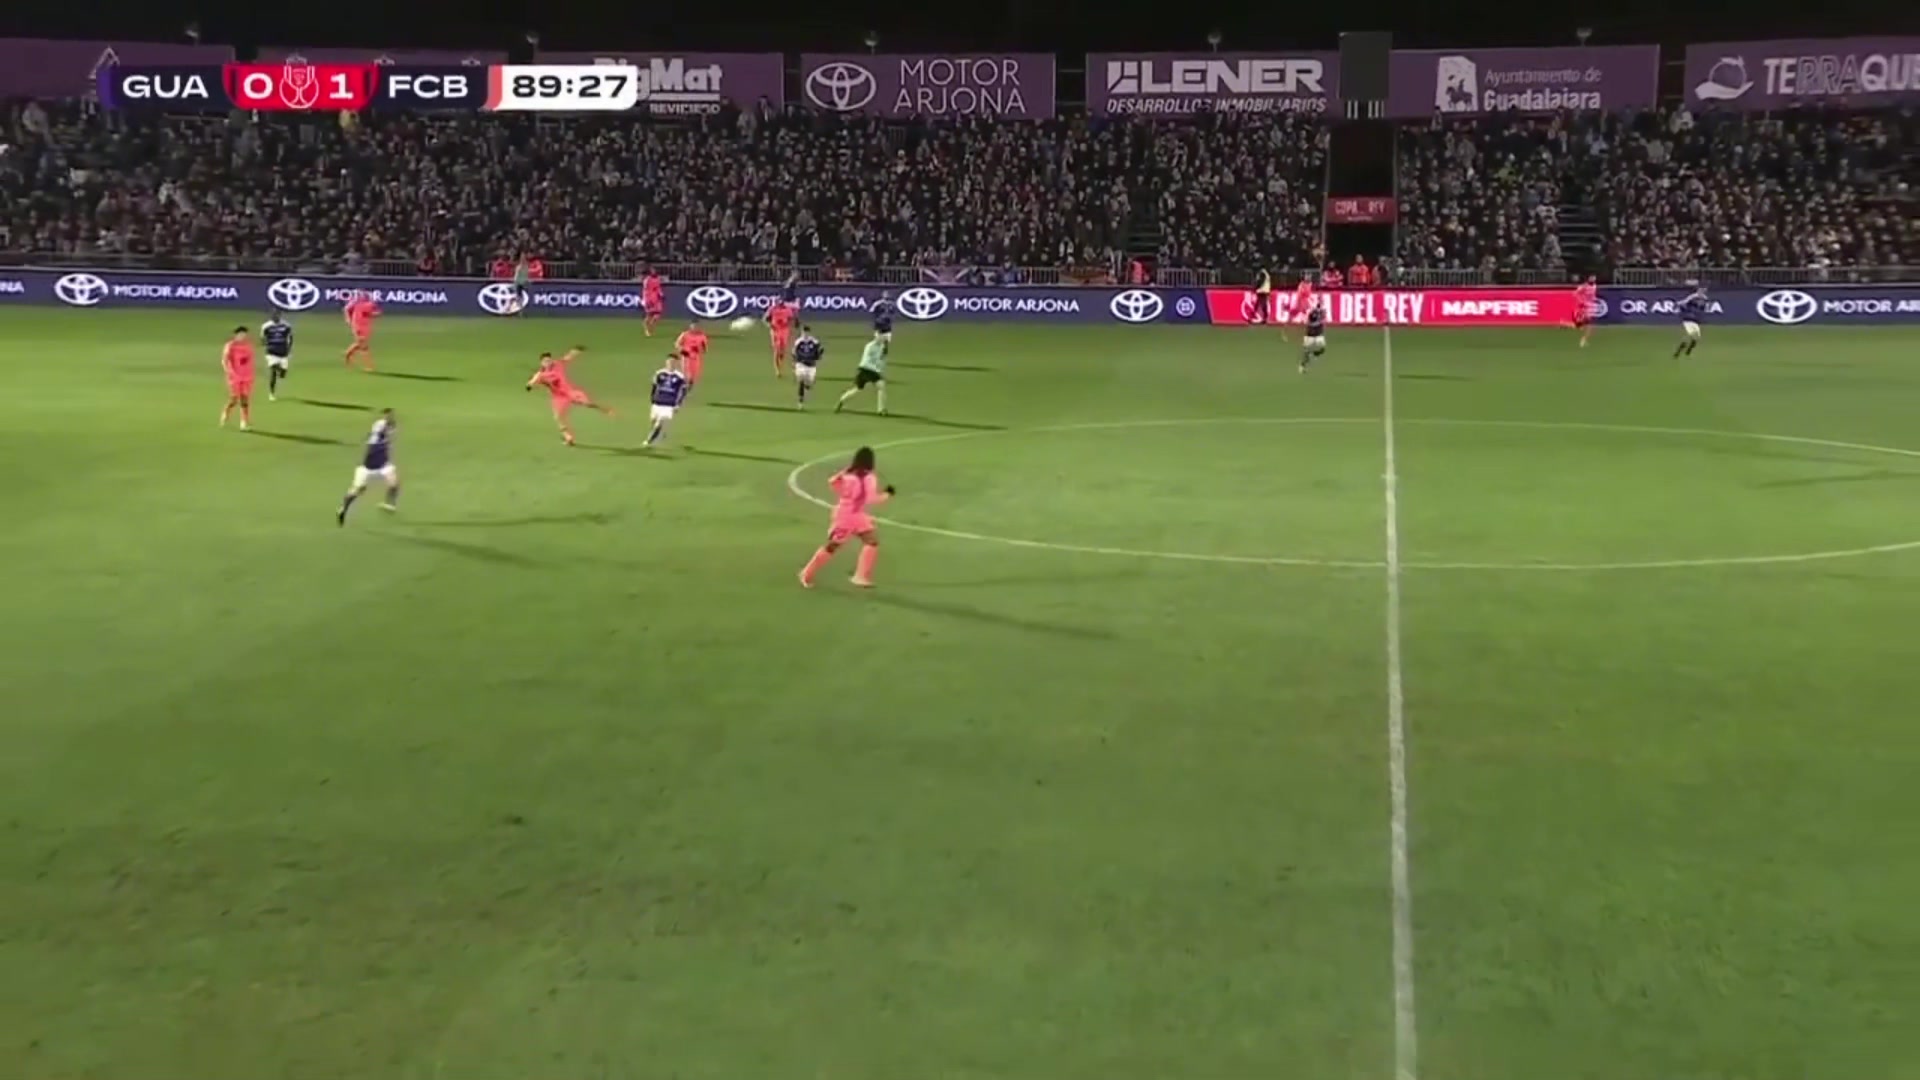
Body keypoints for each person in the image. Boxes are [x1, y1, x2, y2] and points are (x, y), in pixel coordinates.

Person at [798, 445, 895, 589]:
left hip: (848, 513)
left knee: (871, 541)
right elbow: (871, 499)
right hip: (849, 517)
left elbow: (833, 483)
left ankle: (860, 576)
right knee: (833, 546)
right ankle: (806, 573)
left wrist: (844, 475)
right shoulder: (869, 478)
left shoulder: (848, 476)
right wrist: (887, 494)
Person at [525, 347, 612, 447]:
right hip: (558, 398)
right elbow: (533, 380)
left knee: (587, 404)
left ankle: (604, 410)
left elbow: (567, 357)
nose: (547, 362)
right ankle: (568, 437)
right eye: (545, 361)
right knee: (558, 417)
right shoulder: (540, 374)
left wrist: (576, 351)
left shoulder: (557, 364)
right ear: (541, 363)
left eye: (549, 360)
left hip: (569, 392)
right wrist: (529, 385)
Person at [337, 409, 399, 525]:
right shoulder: (378, 429)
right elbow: (381, 431)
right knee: (358, 490)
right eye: (388, 415)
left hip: (383, 464)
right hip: (368, 466)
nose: (390, 417)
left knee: (394, 483)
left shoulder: (387, 428)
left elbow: (390, 431)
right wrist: (386, 428)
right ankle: (343, 508)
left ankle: (389, 504)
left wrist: (390, 428)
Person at [835, 331, 888, 416]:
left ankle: (881, 410)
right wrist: (877, 367)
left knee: (881, 386)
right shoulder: (870, 346)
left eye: (883, 337)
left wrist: (881, 362)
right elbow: (866, 360)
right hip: (864, 370)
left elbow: (880, 360)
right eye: (880, 336)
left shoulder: (882, 347)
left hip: (873, 371)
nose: (882, 338)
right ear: (876, 337)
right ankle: (842, 400)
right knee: (858, 389)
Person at [644, 353, 691, 448]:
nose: (670, 363)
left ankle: (648, 442)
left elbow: (683, 391)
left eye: (673, 361)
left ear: (676, 363)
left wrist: (678, 404)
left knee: (660, 422)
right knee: (653, 421)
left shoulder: (680, 377)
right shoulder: (659, 373)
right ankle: (659, 434)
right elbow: (654, 386)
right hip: (657, 402)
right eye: (669, 361)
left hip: (669, 404)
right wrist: (652, 398)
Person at [220, 325, 255, 430]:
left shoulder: (248, 346)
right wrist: (228, 371)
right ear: (236, 335)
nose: (242, 336)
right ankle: (225, 414)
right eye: (240, 334)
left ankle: (244, 422)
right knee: (234, 399)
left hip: (246, 377)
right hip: (234, 377)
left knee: (245, 399)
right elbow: (224, 360)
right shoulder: (230, 346)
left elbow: (249, 361)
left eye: (244, 334)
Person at [342, 291, 379, 371]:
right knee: (363, 344)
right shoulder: (357, 303)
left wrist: (372, 314)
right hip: (357, 325)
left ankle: (347, 354)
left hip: (366, 326)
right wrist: (348, 319)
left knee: (359, 343)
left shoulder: (369, 304)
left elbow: (376, 313)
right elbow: (346, 309)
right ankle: (369, 366)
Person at [262, 310, 294, 400]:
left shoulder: (286, 325)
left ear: (280, 316)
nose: (275, 317)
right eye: (274, 315)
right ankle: (271, 393)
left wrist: (289, 349)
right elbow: (263, 338)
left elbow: (290, 338)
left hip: (283, 353)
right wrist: (266, 345)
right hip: (271, 352)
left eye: (277, 315)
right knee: (273, 371)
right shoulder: (266, 326)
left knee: (283, 373)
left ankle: (281, 372)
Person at [792, 325, 824, 409]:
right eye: (803, 332)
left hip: (811, 366)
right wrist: (795, 360)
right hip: (801, 364)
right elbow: (794, 352)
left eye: (806, 332)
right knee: (801, 381)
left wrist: (819, 355)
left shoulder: (814, 341)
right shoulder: (798, 341)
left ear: (809, 333)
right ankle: (800, 402)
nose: (805, 334)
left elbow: (820, 350)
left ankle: (807, 386)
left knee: (809, 383)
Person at [1675, 284, 1708, 358]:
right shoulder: (1692, 297)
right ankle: (1678, 352)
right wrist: (1679, 304)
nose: (1702, 291)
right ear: (1698, 290)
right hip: (1688, 319)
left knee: (1697, 337)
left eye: (1704, 290)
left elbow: (1702, 309)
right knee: (1689, 335)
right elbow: (1683, 302)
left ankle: (1688, 351)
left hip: (1695, 321)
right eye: (1701, 289)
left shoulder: (1705, 299)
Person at [767, 299, 798, 377]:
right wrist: (770, 325)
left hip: (784, 331)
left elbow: (791, 319)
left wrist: (792, 325)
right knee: (776, 351)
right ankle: (777, 370)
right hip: (775, 331)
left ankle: (782, 365)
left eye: (782, 304)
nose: (780, 305)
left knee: (783, 351)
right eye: (779, 304)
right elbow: (766, 318)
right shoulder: (772, 309)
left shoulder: (787, 310)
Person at [674, 321, 709, 385]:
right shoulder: (685, 334)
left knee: (693, 375)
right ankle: (683, 385)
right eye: (693, 326)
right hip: (686, 356)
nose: (694, 328)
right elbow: (677, 344)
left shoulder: (702, 336)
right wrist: (681, 350)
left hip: (695, 358)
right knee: (685, 373)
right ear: (690, 326)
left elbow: (705, 349)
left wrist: (700, 350)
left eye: (696, 326)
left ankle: (689, 384)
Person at [1299, 301, 1328, 373]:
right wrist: (1320, 322)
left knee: (1323, 349)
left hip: (1318, 334)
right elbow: (1312, 323)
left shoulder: (1322, 313)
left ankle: (1314, 354)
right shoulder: (1312, 314)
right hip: (1310, 335)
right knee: (1306, 352)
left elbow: (1323, 322)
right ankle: (1302, 366)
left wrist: (1322, 322)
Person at [1573, 275, 1599, 348]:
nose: (1593, 280)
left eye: (1594, 279)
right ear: (1588, 279)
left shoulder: (1594, 286)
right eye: (1591, 278)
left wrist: (1595, 299)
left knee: (1588, 325)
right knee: (1589, 325)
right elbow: (1575, 293)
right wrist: (1581, 301)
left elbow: (1593, 295)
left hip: (1591, 306)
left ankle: (1583, 338)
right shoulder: (1584, 286)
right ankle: (1583, 340)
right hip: (1585, 307)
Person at [641, 267, 665, 337]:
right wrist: (646, 300)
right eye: (652, 271)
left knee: (657, 315)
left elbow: (658, 288)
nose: (654, 272)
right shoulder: (647, 280)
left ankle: (650, 327)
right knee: (649, 315)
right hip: (649, 299)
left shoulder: (657, 279)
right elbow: (645, 290)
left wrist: (661, 295)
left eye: (654, 271)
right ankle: (646, 329)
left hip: (656, 299)